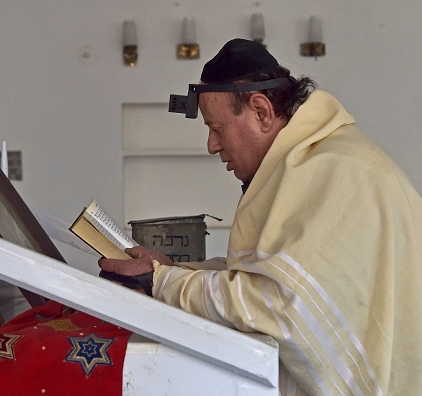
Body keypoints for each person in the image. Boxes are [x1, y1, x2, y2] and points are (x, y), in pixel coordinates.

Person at [99, 38, 422, 395]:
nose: (212, 145)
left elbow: (280, 307)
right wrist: (167, 272)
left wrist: (161, 283)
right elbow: (266, 278)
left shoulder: (334, 171)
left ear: (262, 111)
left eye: (217, 128)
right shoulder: (316, 160)